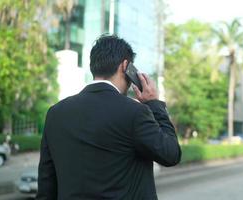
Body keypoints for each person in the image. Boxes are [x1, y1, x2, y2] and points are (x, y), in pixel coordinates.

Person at [37, 34, 181, 200]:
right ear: (125, 66)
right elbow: (171, 154)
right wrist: (154, 104)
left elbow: (46, 184)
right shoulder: (134, 112)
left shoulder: (56, 113)